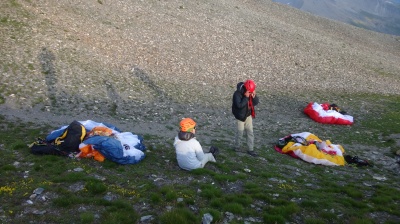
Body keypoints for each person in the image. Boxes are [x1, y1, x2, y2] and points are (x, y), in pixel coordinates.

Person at [231, 79, 259, 157]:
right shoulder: (237, 94)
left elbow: (255, 103)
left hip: (248, 115)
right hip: (240, 117)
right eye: (250, 92)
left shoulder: (250, 92)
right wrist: (246, 97)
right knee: (240, 133)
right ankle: (237, 147)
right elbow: (239, 105)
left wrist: (254, 97)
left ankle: (251, 149)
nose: (250, 93)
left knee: (250, 132)